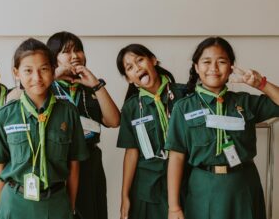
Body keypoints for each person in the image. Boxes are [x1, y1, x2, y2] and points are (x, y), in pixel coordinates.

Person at [166, 36, 279, 219]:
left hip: (243, 186)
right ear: (196, 67)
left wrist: (261, 84)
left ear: (231, 67)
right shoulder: (184, 107)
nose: (213, 68)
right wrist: (174, 207)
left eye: (221, 62)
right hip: (204, 188)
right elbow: (177, 156)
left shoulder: (245, 102)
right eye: (206, 62)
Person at [0, 38, 89, 219]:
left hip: (56, 203)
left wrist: (70, 206)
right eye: (28, 71)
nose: (37, 78)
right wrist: (2, 207)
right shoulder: (5, 115)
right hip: (15, 203)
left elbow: (74, 164)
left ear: (53, 70)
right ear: (16, 73)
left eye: (44, 69)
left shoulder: (68, 113)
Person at [47, 31, 120, 219]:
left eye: (78, 50)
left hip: (89, 160)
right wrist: (52, 76)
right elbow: (18, 97)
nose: (75, 56)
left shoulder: (90, 86)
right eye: (66, 51)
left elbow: (113, 121)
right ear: (53, 58)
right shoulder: (46, 87)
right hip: (58, 162)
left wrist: (96, 84)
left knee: (92, 213)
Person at [116, 43, 187, 219]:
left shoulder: (184, 95)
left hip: (185, 181)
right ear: (129, 78)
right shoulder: (132, 107)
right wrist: (124, 195)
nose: (137, 67)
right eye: (130, 67)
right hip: (147, 187)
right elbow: (131, 152)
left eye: (140, 60)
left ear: (153, 60)